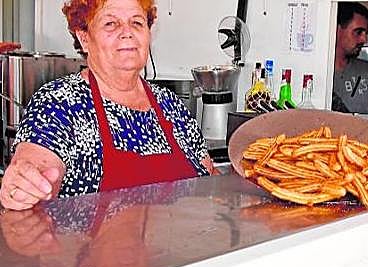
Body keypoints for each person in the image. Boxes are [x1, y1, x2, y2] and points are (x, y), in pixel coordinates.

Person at [0, 0, 216, 212]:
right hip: (87, 247)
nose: (127, 32)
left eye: (137, 23)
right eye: (110, 24)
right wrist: (26, 184)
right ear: (84, 38)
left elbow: (208, 181)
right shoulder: (58, 102)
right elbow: (36, 166)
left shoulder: (171, 105)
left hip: (180, 246)